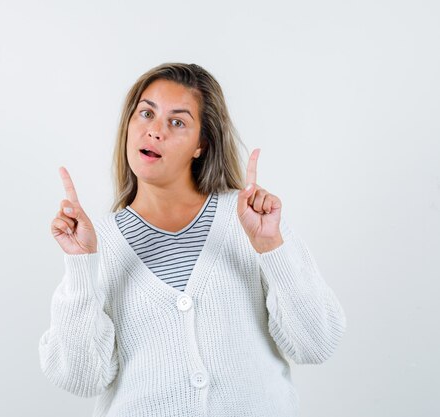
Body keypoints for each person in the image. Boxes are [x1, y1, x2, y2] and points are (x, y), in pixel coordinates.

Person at [39, 63, 346, 416]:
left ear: (201, 144)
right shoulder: (97, 242)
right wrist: (81, 267)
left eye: (177, 121)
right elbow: (82, 379)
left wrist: (271, 248)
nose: (154, 131)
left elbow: (317, 344)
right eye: (146, 113)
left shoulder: (251, 219)